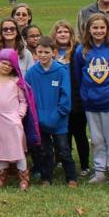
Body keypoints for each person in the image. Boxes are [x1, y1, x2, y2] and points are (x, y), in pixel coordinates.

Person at [74, 13, 109, 186]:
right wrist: (86, 95)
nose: (98, 31)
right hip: (91, 102)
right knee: (96, 139)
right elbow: (79, 75)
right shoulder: (82, 51)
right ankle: (99, 171)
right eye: (95, 27)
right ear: (88, 29)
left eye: (102, 27)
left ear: (107, 29)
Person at [0, 48, 38, 190]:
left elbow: (23, 101)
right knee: (1, 152)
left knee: (18, 150)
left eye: (10, 64)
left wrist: (19, 115)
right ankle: (2, 178)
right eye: (4, 63)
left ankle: (23, 178)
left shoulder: (16, 82)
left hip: (13, 122)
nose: (6, 66)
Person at [26, 36, 75, 187]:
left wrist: (57, 115)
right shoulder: (32, 73)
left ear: (53, 52)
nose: (43, 55)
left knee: (64, 149)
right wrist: (37, 117)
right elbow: (28, 96)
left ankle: (71, 177)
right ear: (35, 53)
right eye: (40, 52)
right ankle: (46, 178)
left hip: (58, 120)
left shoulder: (61, 71)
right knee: (44, 151)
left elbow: (65, 97)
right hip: (40, 120)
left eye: (46, 52)